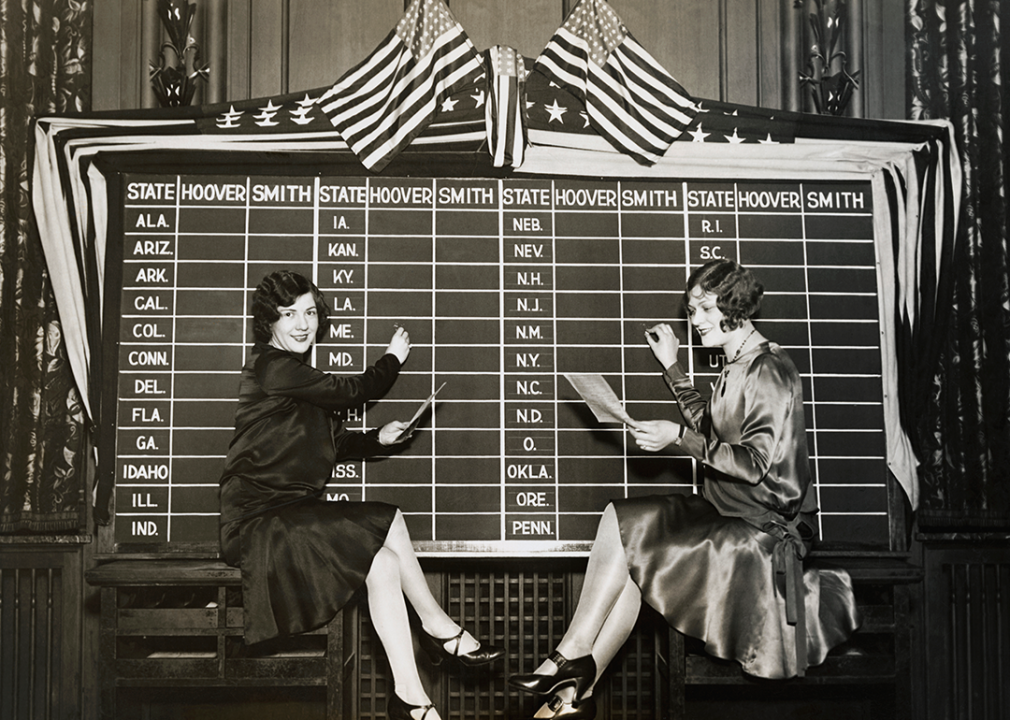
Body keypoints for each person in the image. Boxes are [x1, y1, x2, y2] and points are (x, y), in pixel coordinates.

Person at [509, 259, 860, 719]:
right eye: (690, 309)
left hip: (760, 533)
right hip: (728, 513)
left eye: (700, 309)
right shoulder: (738, 363)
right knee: (628, 533)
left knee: (631, 532)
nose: (691, 321)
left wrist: (677, 437)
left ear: (731, 307)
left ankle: (573, 663)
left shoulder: (769, 370)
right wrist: (673, 369)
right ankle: (578, 678)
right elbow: (713, 428)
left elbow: (753, 465)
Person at [219, 270, 503, 720]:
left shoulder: (297, 379)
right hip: (258, 522)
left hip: (291, 514)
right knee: (387, 519)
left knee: (384, 562)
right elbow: (355, 389)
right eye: (288, 314)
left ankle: (410, 698)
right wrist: (392, 359)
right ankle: (436, 625)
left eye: (309, 312)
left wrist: (378, 439)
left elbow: (337, 441)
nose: (301, 324)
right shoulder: (274, 367)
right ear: (268, 323)